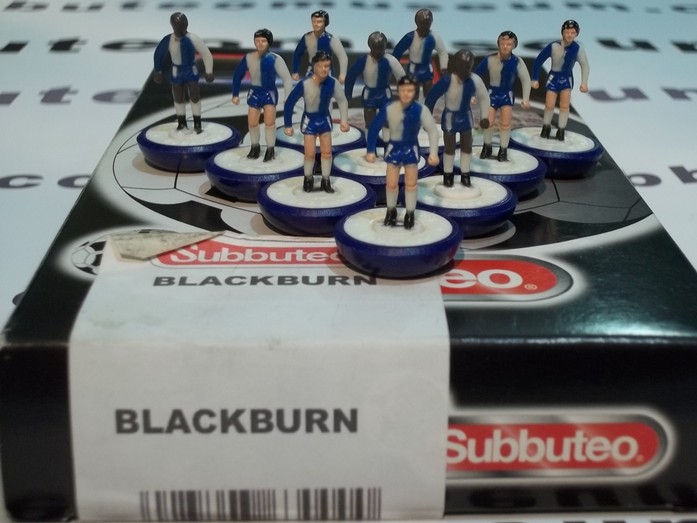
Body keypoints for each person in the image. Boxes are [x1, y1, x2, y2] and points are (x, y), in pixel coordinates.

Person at [365, 75, 440, 230]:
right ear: (398, 90)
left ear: (415, 92)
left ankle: (410, 213)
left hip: (411, 149)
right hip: (393, 149)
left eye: (410, 90)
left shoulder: (421, 110)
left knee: (411, 185)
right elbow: (374, 127)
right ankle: (391, 211)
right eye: (403, 90)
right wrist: (371, 150)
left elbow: (433, 131)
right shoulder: (389, 108)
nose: (406, 93)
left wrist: (433, 153)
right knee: (391, 184)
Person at [284, 51, 350, 194]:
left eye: (327, 66)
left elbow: (342, 101)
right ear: (314, 66)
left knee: (327, 153)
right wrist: (288, 124)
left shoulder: (333, 83)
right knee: (309, 154)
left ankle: (326, 180)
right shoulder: (304, 84)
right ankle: (308, 178)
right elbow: (289, 103)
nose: (324, 69)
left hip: (324, 120)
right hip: (310, 121)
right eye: (320, 66)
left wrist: (344, 120)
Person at [425, 50, 490, 188]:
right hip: (450, 118)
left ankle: (465, 174)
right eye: (462, 66)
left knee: (467, 147)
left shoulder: (475, 80)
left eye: (468, 66)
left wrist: (484, 116)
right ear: (456, 65)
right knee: (449, 148)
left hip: (466, 117)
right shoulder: (447, 80)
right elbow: (431, 97)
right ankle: (448, 174)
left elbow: (484, 97)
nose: (465, 69)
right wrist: (427, 118)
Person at [232, 29, 292, 162]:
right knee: (252, 123)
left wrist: (287, 96)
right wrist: (235, 93)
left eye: (263, 41)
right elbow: (238, 75)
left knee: (269, 124)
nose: (260, 43)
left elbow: (287, 78)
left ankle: (270, 149)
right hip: (254, 93)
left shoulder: (275, 59)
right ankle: (255, 147)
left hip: (269, 93)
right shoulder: (249, 57)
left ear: (269, 42)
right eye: (257, 40)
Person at [153, 12, 214, 134]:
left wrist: (209, 71)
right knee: (178, 97)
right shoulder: (168, 39)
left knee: (195, 96)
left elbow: (206, 53)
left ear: (187, 24)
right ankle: (181, 123)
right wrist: (157, 70)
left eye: (183, 25)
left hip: (190, 70)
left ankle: (197, 122)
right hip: (177, 72)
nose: (181, 28)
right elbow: (158, 54)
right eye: (177, 25)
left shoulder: (193, 38)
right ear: (172, 26)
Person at [475, 31, 531, 161]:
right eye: (503, 43)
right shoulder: (490, 59)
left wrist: (526, 98)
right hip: (492, 94)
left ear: (514, 45)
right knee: (488, 122)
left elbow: (526, 80)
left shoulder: (517, 61)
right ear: (498, 44)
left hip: (507, 95)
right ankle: (487, 146)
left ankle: (503, 149)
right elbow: (476, 76)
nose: (505, 46)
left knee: (505, 124)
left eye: (509, 44)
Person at [532, 19, 590, 141]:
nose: (569, 35)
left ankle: (561, 129)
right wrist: (535, 78)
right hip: (553, 78)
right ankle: (546, 126)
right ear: (562, 32)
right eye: (567, 32)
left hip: (566, 79)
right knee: (549, 105)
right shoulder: (553, 46)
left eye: (573, 33)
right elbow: (538, 61)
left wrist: (584, 82)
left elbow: (585, 65)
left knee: (564, 106)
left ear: (576, 34)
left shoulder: (577, 49)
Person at [344, 31, 405, 140]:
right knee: (369, 121)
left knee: (387, 120)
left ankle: (387, 143)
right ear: (370, 46)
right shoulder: (364, 60)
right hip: (369, 95)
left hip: (384, 94)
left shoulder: (391, 60)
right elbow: (350, 76)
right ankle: (370, 144)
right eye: (375, 48)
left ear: (385, 46)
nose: (377, 51)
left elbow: (402, 78)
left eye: (380, 48)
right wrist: (348, 96)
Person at [391, 8, 448, 100]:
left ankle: (428, 108)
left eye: (427, 23)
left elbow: (442, 52)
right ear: (416, 22)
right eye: (422, 23)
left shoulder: (434, 37)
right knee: (412, 94)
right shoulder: (410, 37)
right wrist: (394, 68)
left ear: (431, 22)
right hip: (414, 70)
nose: (424, 26)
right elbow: (397, 52)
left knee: (429, 95)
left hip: (427, 69)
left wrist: (443, 67)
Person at [292, 10, 348, 84]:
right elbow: (297, 53)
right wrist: (295, 71)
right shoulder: (307, 37)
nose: (316, 24)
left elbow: (342, 56)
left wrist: (343, 74)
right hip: (312, 71)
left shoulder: (332, 39)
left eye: (319, 22)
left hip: (327, 71)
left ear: (325, 23)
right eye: (313, 21)